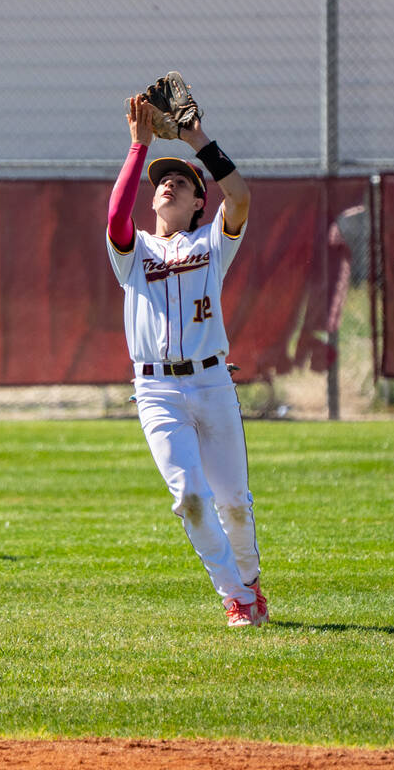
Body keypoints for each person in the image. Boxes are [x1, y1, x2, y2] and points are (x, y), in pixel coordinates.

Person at [105, 94, 267, 627]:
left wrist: (197, 138)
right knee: (191, 499)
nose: (167, 184)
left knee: (235, 505)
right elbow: (115, 215)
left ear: (201, 201)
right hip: (156, 392)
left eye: (181, 181)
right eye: (161, 181)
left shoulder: (211, 242)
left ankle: (251, 583)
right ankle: (236, 597)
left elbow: (239, 197)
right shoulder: (136, 254)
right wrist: (139, 146)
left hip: (213, 385)